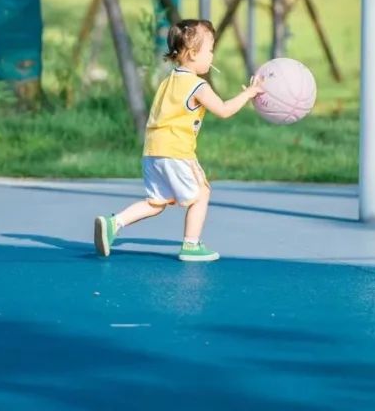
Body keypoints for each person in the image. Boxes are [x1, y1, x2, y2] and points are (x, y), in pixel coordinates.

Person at [93, 19, 264, 262]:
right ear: (193, 53)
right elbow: (224, 110)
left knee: (156, 202)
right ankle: (191, 246)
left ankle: (114, 223)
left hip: (152, 152)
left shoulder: (168, 81)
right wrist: (249, 93)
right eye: (210, 49)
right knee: (202, 193)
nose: (212, 55)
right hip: (176, 152)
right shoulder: (197, 85)